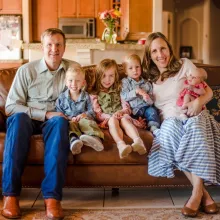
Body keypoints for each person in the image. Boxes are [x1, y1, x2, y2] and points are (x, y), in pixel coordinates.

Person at [1, 28, 79, 220]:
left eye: (58, 44)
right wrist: (44, 113)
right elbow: (11, 107)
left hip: (54, 120)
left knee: (60, 122)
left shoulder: (72, 70)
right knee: (18, 119)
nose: (54, 49)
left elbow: (80, 99)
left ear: (64, 47)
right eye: (49, 45)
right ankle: (10, 195)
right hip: (27, 117)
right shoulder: (26, 70)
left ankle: (52, 198)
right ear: (42, 48)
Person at [142, 32, 220, 217]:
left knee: (195, 129)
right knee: (168, 134)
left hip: (194, 114)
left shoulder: (184, 65)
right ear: (149, 56)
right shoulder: (149, 79)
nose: (160, 54)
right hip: (170, 120)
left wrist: (197, 103)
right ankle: (204, 195)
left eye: (163, 48)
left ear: (169, 48)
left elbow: (207, 92)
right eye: (154, 51)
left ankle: (195, 195)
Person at [90, 59, 147, 159]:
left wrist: (121, 112)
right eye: (104, 76)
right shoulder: (94, 94)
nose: (107, 80)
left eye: (111, 76)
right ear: (98, 76)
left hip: (122, 115)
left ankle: (138, 141)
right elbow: (97, 113)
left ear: (116, 76)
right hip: (108, 118)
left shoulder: (119, 89)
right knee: (113, 120)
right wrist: (111, 116)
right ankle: (121, 145)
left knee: (125, 118)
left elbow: (127, 107)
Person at [55, 66, 104, 155]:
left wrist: (84, 115)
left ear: (83, 83)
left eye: (77, 81)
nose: (74, 83)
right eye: (70, 80)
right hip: (70, 121)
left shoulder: (86, 96)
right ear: (66, 82)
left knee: (87, 122)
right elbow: (59, 113)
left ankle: (95, 138)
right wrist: (68, 118)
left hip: (83, 120)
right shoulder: (61, 98)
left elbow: (92, 112)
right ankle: (75, 141)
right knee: (69, 126)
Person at [121, 54, 160, 131]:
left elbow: (152, 101)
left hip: (146, 108)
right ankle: (138, 125)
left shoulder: (147, 83)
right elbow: (124, 96)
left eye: (137, 67)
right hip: (133, 110)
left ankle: (153, 128)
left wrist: (148, 98)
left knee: (152, 111)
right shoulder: (125, 82)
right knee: (127, 118)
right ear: (126, 71)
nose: (135, 70)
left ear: (141, 68)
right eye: (130, 68)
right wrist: (135, 91)